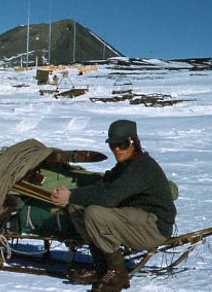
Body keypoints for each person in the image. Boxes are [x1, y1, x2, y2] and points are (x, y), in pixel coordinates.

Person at [51, 120, 176, 292]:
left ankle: (117, 274)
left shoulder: (141, 168)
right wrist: (72, 194)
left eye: (122, 144)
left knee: (95, 213)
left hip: (153, 227)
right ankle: (103, 269)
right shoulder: (125, 165)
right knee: (76, 208)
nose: (117, 149)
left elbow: (109, 197)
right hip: (137, 218)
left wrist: (71, 195)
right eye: (113, 145)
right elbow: (104, 185)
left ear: (133, 142)